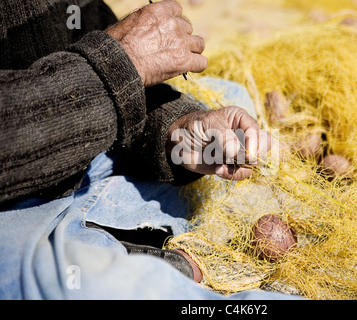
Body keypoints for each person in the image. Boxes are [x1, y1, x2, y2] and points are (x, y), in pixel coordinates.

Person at [0, 0, 298, 299]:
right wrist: (113, 66)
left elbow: (98, 51)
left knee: (233, 98)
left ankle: (114, 247)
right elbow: (110, 68)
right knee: (79, 286)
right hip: (14, 199)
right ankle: (115, 253)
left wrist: (178, 132)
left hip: (79, 148)